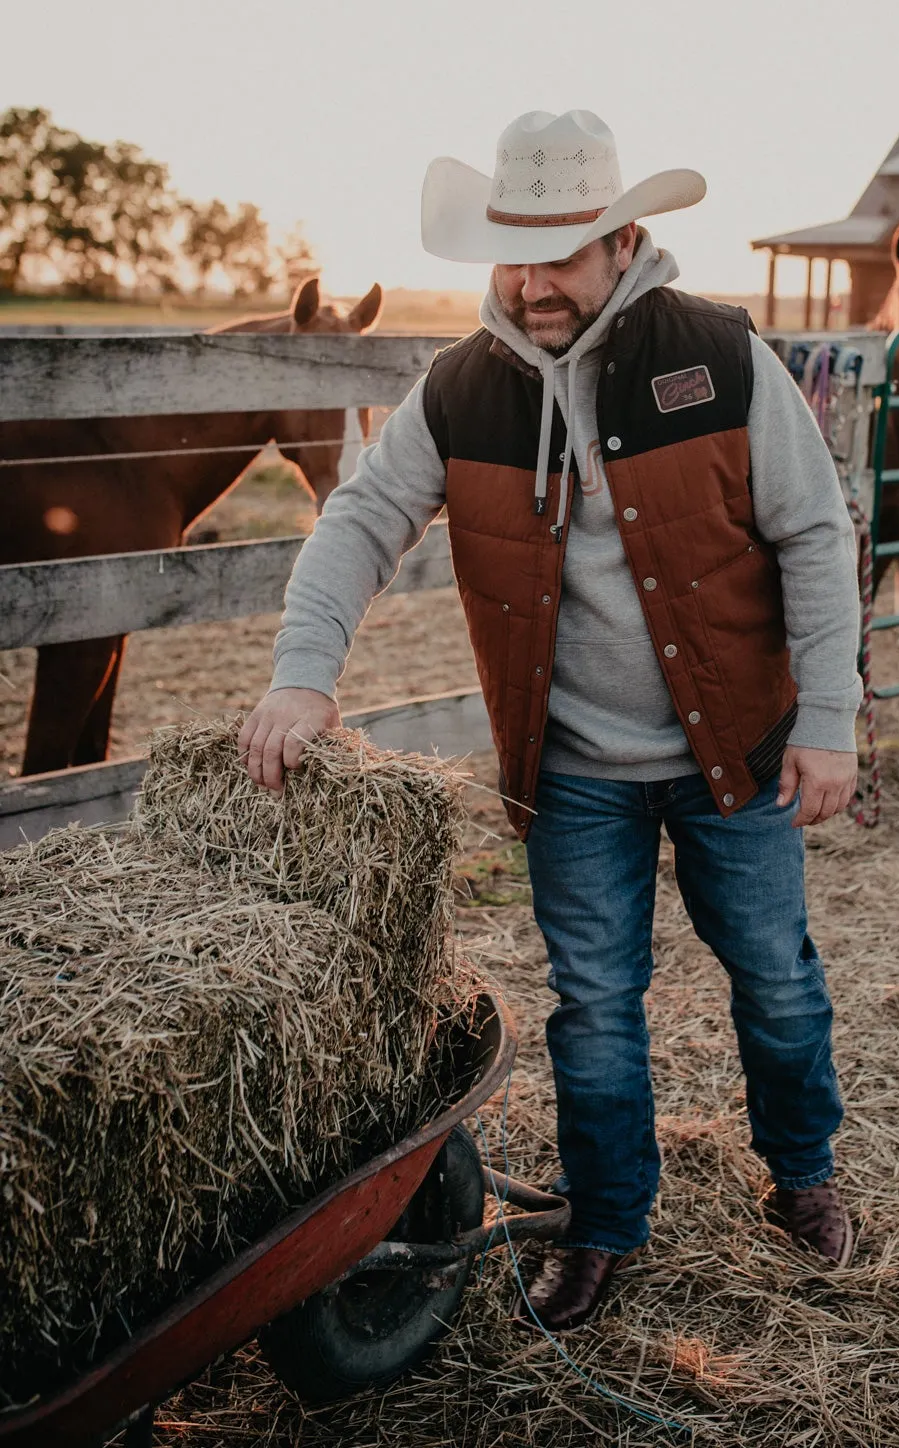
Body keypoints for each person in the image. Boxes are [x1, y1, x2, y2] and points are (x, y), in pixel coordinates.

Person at [239, 110, 864, 1331]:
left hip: (732, 752)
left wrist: (828, 716)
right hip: (573, 769)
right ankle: (606, 1225)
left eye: (560, 255)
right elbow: (360, 523)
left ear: (624, 242)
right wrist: (304, 673)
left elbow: (815, 534)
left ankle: (802, 1174)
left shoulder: (723, 358)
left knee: (777, 985)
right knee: (593, 1004)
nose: (531, 283)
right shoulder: (459, 390)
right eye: (512, 254)